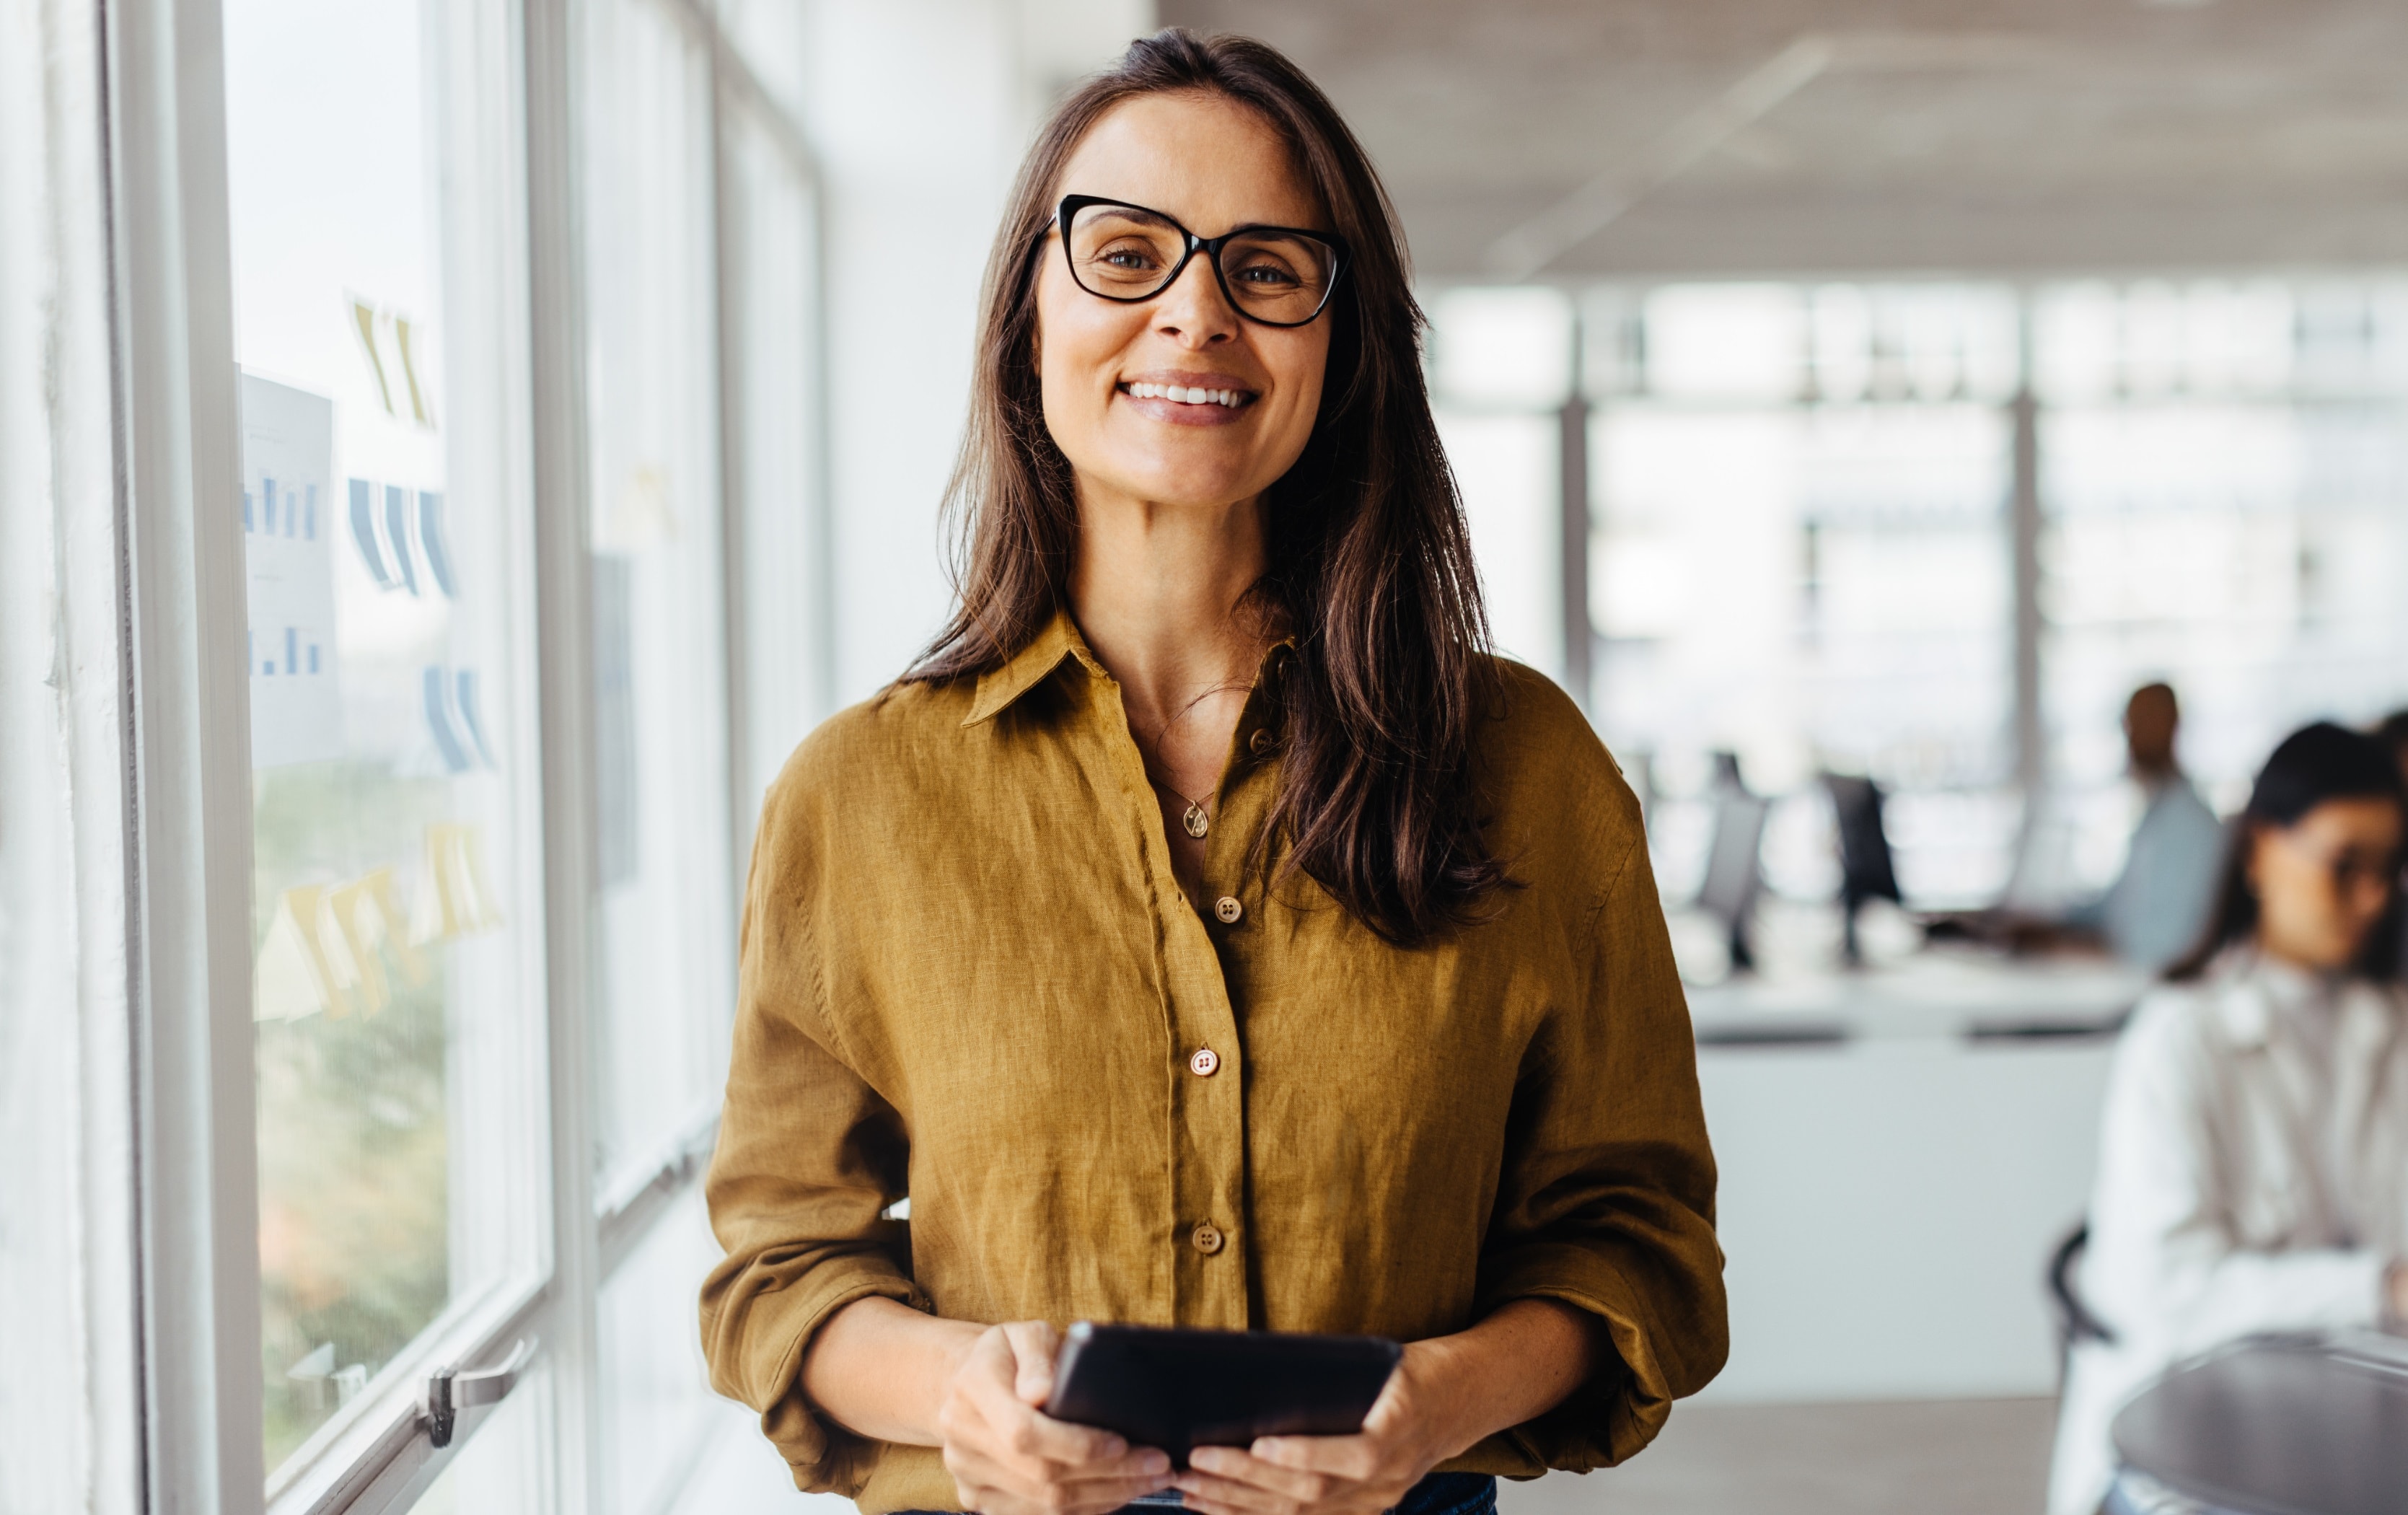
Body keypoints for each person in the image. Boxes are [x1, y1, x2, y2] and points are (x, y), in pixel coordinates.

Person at [698, 29, 1726, 1515]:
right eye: (1125, 253)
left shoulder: (1525, 766)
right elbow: (780, 1267)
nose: (1194, 316)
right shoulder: (858, 796)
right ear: (1025, 322)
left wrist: (1434, 1404)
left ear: (1342, 337)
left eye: (1265, 267)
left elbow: (1635, 1242)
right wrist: (959, 1396)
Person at [2048, 722, 2408, 1515]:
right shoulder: (2177, 1040)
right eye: (2343, 866)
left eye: (2387, 871)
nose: (2373, 898)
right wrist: (2378, 1288)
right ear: (2258, 852)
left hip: (2346, 1422)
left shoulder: (2389, 1023)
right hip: (2185, 1448)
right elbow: (2173, 1301)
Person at [2084, 683, 2225, 973]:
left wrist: (2084, 946)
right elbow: (2113, 909)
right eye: (2130, 726)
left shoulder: (2191, 826)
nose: (2133, 739)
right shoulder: (2156, 814)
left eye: (2144, 724)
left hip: (2147, 987)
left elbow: (2162, 947)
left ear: (2174, 728)